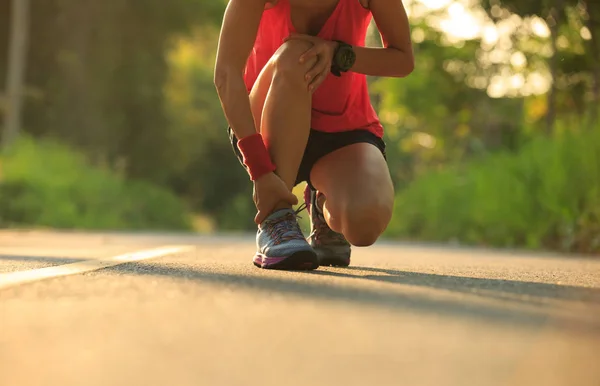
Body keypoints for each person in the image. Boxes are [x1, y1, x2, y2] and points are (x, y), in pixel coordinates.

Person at [214, 0, 414, 270]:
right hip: (265, 121)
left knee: (364, 223)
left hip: (342, 129)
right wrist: (260, 171)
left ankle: (322, 205)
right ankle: (277, 218)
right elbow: (226, 74)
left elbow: (403, 59)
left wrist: (338, 53)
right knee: (298, 52)